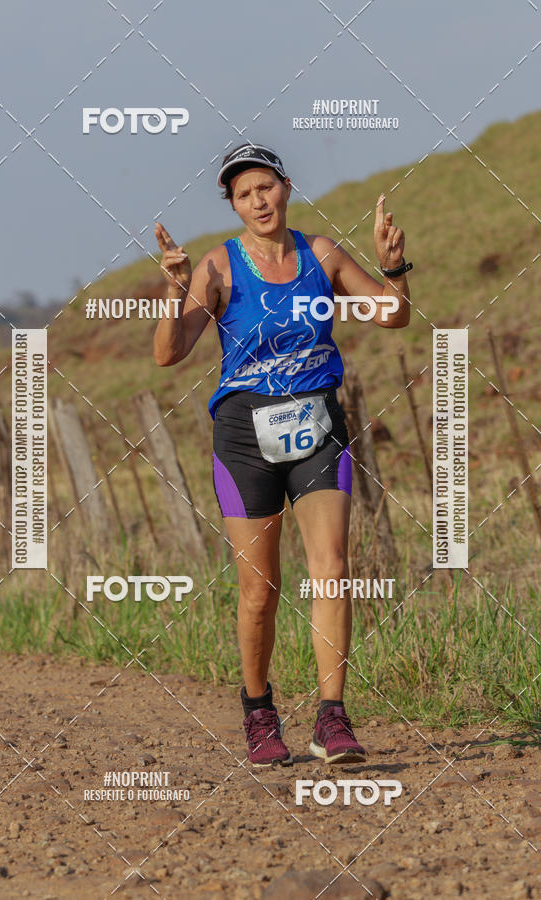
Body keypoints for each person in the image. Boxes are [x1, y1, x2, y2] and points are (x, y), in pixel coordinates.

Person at [153, 143, 411, 767]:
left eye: (265, 187)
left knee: (332, 566)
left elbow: (390, 317)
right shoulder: (217, 267)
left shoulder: (320, 254)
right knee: (259, 590)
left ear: (286, 187)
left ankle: (332, 718)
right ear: (234, 205)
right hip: (245, 435)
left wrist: (394, 268)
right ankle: (259, 712)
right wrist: (176, 292)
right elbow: (168, 353)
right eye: (244, 194)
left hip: (317, 422)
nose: (258, 201)